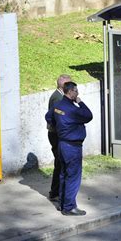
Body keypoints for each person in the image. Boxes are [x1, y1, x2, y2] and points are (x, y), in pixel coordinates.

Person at [45, 81, 93, 216]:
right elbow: (88, 115)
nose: (77, 94)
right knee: (73, 177)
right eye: (76, 91)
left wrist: (60, 126)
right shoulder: (74, 109)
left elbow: (48, 117)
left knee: (63, 174)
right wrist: (80, 102)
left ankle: (62, 203)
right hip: (73, 147)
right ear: (70, 92)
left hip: (62, 144)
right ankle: (69, 207)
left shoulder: (57, 106)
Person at [46, 74, 71, 202]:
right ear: (64, 86)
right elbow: (57, 117)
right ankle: (55, 192)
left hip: (57, 134)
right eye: (70, 85)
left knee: (60, 163)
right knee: (60, 163)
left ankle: (55, 191)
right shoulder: (57, 98)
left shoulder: (60, 96)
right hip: (56, 135)